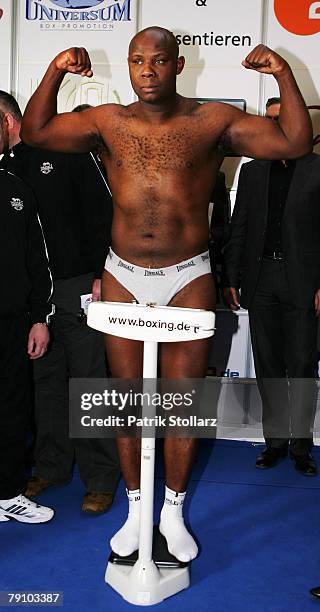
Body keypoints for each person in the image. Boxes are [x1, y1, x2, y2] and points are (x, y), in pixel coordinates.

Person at [21, 27, 312, 561]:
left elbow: (293, 141)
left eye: (158, 60)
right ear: (129, 68)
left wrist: (283, 74)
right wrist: (56, 70)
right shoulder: (109, 121)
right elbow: (35, 132)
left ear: (178, 65)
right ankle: (136, 513)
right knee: (128, 401)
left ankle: (173, 512)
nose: (147, 70)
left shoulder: (212, 120)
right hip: (123, 275)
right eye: (137, 61)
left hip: (189, 275)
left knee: (181, 406)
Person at [0, 91, 120, 514]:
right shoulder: (6, 169)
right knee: (44, 383)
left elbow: (105, 213)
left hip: (77, 284)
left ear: (8, 120)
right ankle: (51, 466)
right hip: (36, 298)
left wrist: (103, 276)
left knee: (89, 381)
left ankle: (101, 477)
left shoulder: (65, 150)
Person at [223, 97, 320, 476]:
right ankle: (275, 442)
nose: (275, 126)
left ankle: (300, 446)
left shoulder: (317, 170)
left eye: (283, 119)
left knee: (300, 365)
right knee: (268, 366)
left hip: (303, 282)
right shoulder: (253, 171)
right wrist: (231, 276)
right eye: (270, 120)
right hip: (260, 279)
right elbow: (239, 227)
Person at [0, 111, 54, 522]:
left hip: (13, 321)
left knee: (13, 408)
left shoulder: (18, 189)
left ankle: (7, 494)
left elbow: (38, 259)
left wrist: (40, 318)